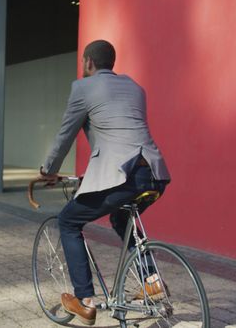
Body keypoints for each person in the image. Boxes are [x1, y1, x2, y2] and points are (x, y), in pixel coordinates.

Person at [38, 40, 171, 325]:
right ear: (112, 62)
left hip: (123, 175)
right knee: (122, 220)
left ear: (88, 62)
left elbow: (66, 135)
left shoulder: (82, 88)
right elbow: (120, 135)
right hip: (154, 173)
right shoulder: (136, 88)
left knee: (69, 221)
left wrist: (48, 170)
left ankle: (85, 301)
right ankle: (152, 280)